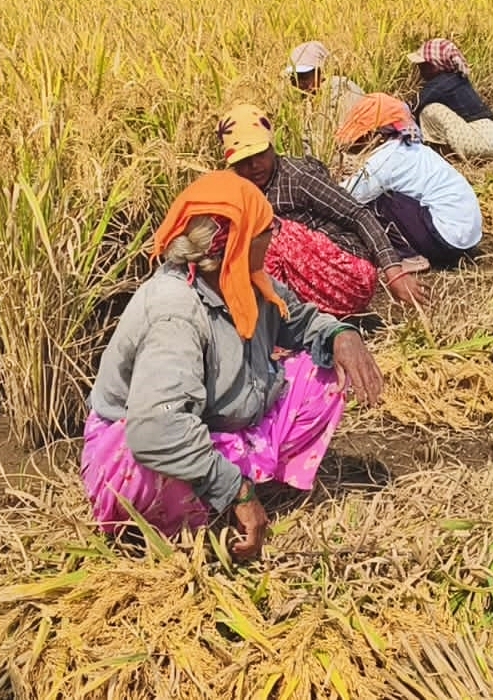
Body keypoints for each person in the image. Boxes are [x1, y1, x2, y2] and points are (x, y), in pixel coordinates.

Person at [81, 170, 384, 560]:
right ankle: (201, 504)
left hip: (213, 420)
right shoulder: (175, 312)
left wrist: (341, 334)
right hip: (140, 445)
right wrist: (237, 492)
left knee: (323, 374)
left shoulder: (248, 280)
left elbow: (302, 322)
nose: (273, 235)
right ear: (235, 243)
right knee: (155, 457)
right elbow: (156, 429)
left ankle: (232, 472)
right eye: (265, 229)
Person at [219, 104, 425, 315]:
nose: (254, 166)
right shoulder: (240, 187)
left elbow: (357, 214)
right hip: (308, 280)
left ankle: (277, 320)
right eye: (244, 160)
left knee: (267, 230)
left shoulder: (298, 177)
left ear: (271, 147)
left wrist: (394, 271)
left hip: (348, 274)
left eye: (259, 154)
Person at [336, 94, 483, 269]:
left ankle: (410, 256)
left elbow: (345, 196)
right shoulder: (411, 147)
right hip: (467, 238)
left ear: (374, 134)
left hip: (445, 240)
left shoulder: (387, 159)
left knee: (378, 202)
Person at [405, 38, 493, 160]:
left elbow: (414, 105)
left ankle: (447, 157)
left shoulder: (440, 83)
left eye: (424, 65)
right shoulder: (458, 78)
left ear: (435, 65)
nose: (420, 69)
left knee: (428, 110)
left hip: (479, 140)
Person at [285, 40, 367, 130]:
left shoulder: (340, 90)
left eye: (304, 77)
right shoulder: (300, 102)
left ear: (322, 71)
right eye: (294, 79)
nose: (299, 83)